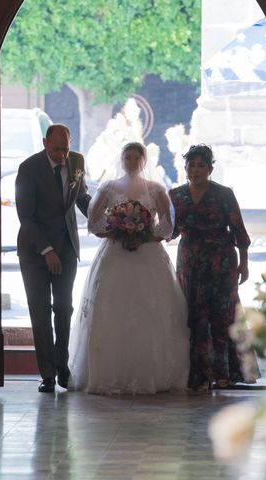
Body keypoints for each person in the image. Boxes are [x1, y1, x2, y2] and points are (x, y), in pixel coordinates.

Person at [68, 142, 189, 395]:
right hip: (115, 254)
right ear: (121, 159)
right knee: (111, 309)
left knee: (149, 310)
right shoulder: (109, 187)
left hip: (148, 256)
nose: (132, 160)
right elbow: (93, 221)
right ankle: (110, 373)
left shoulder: (156, 189)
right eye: (127, 156)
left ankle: (149, 372)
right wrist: (117, 230)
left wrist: (145, 234)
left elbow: (168, 225)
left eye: (137, 157)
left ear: (144, 161)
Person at [169, 144, 258, 391]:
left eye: (201, 165)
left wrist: (244, 264)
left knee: (223, 315)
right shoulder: (175, 195)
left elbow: (240, 231)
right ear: (185, 168)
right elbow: (171, 231)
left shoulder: (224, 194)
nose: (196, 170)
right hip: (190, 262)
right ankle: (198, 375)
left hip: (221, 260)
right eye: (191, 165)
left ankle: (225, 373)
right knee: (194, 316)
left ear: (210, 168)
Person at [15, 124, 92, 393]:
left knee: (64, 307)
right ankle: (46, 373)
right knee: (39, 309)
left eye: (66, 148)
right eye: (57, 149)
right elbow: (26, 216)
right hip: (35, 249)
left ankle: (63, 367)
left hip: (68, 245)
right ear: (45, 143)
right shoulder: (29, 168)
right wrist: (47, 251)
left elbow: (80, 197)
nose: (62, 155)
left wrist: (103, 217)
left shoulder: (76, 161)